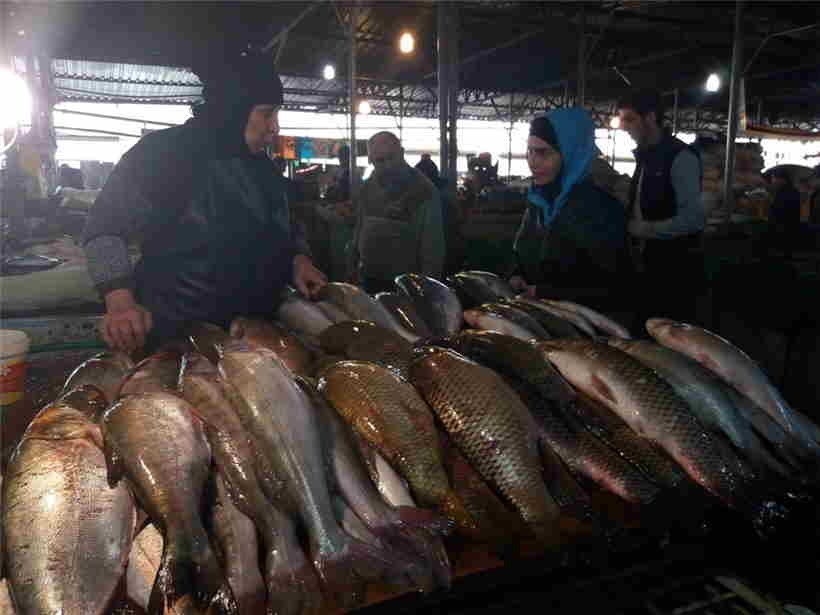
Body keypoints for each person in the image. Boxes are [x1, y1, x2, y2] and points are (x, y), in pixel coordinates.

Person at [83, 52, 327, 354]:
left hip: (256, 335)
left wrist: (298, 259)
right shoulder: (162, 154)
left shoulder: (263, 167)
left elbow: (285, 225)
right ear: (233, 110)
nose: (275, 127)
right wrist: (119, 301)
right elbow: (104, 229)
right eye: (266, 113)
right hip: (179, 338)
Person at [509, 108, 633, 314]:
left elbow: (614, 286)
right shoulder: (538, 202)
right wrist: (516, 274)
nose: (532, 162)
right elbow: (522, 252)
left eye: (543, 152)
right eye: (530, 151)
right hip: (540, 317)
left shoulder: (601, 210)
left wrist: (547, 292)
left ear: (571, 154)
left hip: (584, 328)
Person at [617, 88, 705, 323]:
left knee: (666, 336)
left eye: (630, 119)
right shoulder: (646, 157)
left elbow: (693, 220)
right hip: (644, 265)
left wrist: (641, 229)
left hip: (672, 271)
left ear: (651, 118)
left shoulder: (681, 157)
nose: (624, 127)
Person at [351, 131, 445, 292]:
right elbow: (359, 229)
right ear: (371, 160)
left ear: (401, 153)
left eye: (391, 157)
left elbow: (433, 249)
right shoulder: (367, 188)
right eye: (380, 160)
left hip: (407, 287)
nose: (388, 165)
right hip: (370, 280)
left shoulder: (423, 190)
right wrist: (353, 263)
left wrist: (426, 290)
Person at [766, 167, 801, 258]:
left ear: (781, 179)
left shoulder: (784, 192)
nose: (772, 181)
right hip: (789, 230)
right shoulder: (792, 191)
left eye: (774, 178)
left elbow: (779, 211)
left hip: (783, 230)